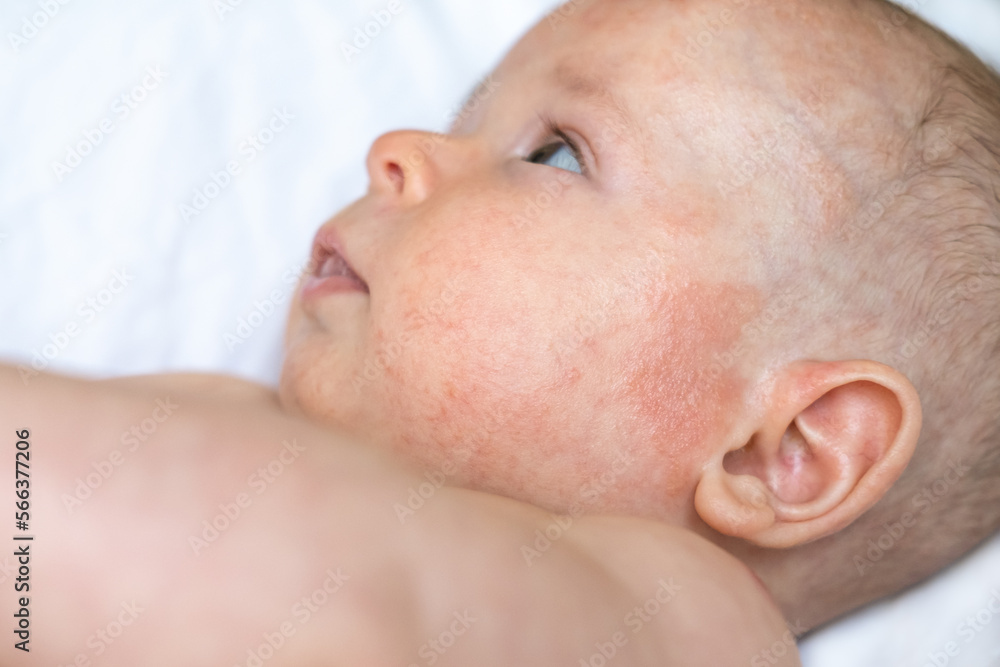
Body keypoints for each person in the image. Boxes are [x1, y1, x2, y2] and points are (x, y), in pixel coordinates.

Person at [4, 0, 998, 663]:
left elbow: (362, 605)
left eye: (554, 153)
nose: (393, 150)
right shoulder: (235, 417)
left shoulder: (693, 621)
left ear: (783, 453)